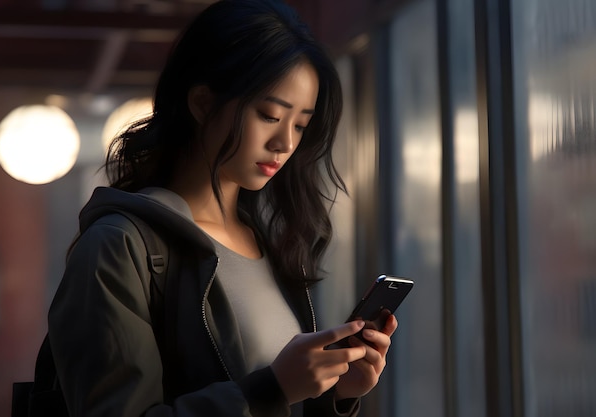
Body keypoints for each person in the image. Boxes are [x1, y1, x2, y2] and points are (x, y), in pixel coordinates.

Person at [47, 1, 398, 416]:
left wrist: (333, 396)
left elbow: (281, 399)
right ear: (202, 103)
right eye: (270, 115)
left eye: (300, 124)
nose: (285, 143)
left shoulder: (263, 241)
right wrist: (270, 389)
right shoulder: (118, 248)